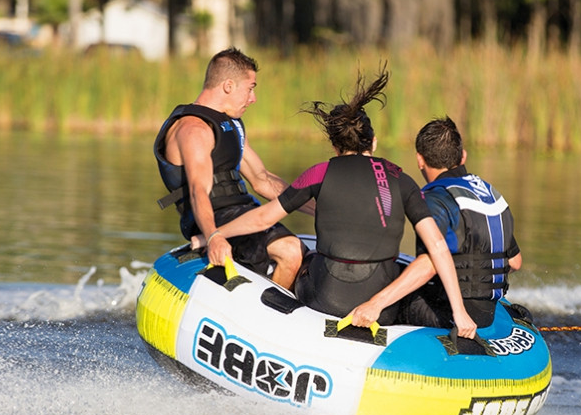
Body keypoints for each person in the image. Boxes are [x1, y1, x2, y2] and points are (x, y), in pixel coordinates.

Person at [193, 69, 477, 338]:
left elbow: (263, 219)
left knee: (302, 255)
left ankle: (271, 329)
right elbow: (438, 247)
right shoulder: (401, 179)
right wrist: (460, 312)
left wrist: (211, 235)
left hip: (325, 298)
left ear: (335, 147)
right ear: (374, 143)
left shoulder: (320, 172)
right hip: (384, 310)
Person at [345, 116, 521, 333]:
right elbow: (515, 261)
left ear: (420, 159)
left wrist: (375, 304)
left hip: (451, 314)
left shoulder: (435, 198)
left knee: (380, 284)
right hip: (487, 313)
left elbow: (429, 265)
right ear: (462, 157)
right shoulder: (489, 193)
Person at [154, 47, 304, 289]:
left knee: (308, 257)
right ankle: (259, 323)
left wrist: (320, 208)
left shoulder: (230, 125)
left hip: (245, 211)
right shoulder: (194, 130)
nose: (253, 98)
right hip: (213, 219)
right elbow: (197, 191)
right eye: (251, 88)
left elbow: (262, 179)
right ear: (228, 86)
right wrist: (213, 237)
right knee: (290, 251)